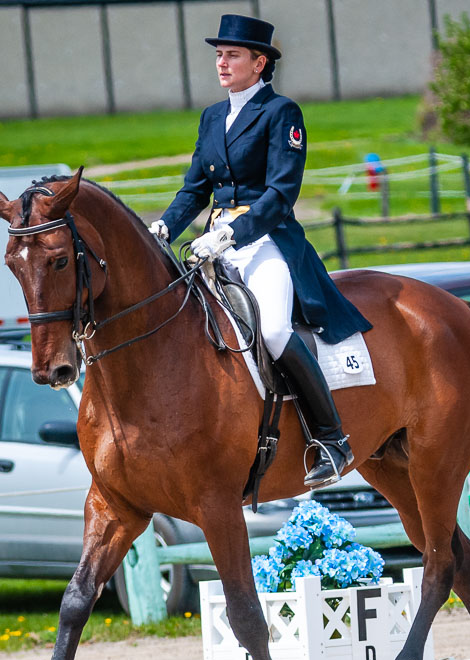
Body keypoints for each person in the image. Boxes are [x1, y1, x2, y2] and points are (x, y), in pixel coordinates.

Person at [149, 14, 372, 489]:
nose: (221, 63)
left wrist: (232, 234)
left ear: (259, 62)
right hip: (212, 245)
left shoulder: (281, 113)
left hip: (265, 240)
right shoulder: (212, 116)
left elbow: (280, 194)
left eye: (231, 55)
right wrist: (164, 226)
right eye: (218, 55)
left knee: (271, 330)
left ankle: (332, 440)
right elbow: (195, 190)